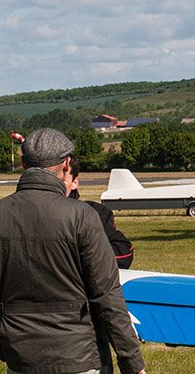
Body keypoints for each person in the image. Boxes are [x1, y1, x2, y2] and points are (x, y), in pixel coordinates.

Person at [0, 128, 145, 374]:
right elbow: (106, 294)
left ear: (23, 163)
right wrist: (131, 361)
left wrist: (4, 344)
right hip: (79, 356)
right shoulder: (82, 216)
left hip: (20, 357)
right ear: (67, 163)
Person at [66, 156, 135, 374]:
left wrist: (90, 257)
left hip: (90, 331)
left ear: (75, 181)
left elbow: (124, 252)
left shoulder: (95, 213)